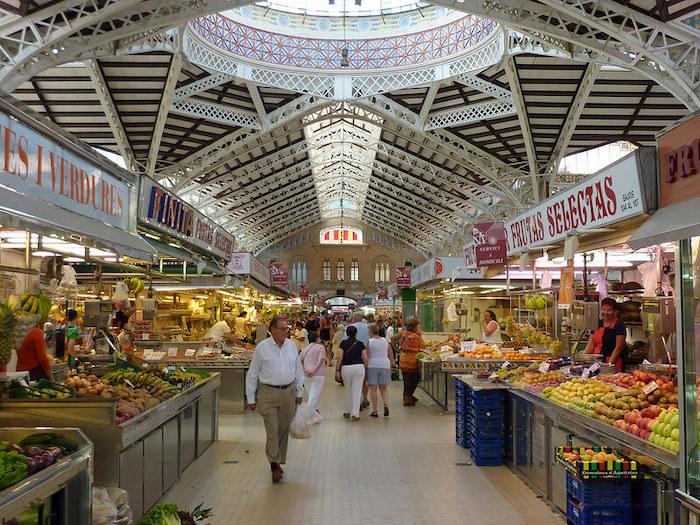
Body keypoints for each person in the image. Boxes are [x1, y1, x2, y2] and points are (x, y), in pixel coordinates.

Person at [246, 316, 304, 483]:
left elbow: (298, 370)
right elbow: (253, 373)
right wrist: (251, 397)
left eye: (287, 329)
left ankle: (277, 460)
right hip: (268, 393)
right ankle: (274, 465)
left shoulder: (292, 346)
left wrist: (299, 392)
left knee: (283, 430)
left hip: (288, 393)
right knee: (272, 431)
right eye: (282, 329)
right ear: (272, 330)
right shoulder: (262, 348)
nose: (286, 332)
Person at [584, 298, 627, 372]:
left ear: (614, 311)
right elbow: (591, 344)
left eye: (609, 310)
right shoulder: (597, 323)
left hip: (613, 362)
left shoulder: (619, 325)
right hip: (596, 362)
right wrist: (583, 359)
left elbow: (618, 348)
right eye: (604, 309)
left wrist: (608, 365)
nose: (606, 312)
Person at [336, 325, 366, 421]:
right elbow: (365, 358)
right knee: (357, 390)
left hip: (346, 368)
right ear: (356, 333)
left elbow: (339, 357)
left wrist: (337, 370)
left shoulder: (343, 343)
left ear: (347, 334)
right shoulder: (361, 344)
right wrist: (364, 368)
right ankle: (355, 414)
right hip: (359, 367)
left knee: (348, 389)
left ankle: (347, 411)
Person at [343, 313, 370, 408]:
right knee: (364, 378)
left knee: (354, 382)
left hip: (352, 357)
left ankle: (356, 401)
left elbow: (344, 342)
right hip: (366, 354)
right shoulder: (368, 327)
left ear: (354, 318)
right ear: (362, 318)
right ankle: (365, 398)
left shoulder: (350, 327)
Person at [365, 322, 393, 417]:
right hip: (385, 364)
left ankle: (375, 410)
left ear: (371, 331)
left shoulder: (369, 341)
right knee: (384, 388)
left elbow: (367, 355)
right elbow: (390, 354)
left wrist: (365, 366)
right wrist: (391, 365)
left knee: (373, 388)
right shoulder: (385, 341)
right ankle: (386, 406)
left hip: (373, 365)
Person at [399, 318, 426, 406]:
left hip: (403, 361)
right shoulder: (416, 336)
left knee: (406, 381)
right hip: (412, 362)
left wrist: (398, 350)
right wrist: (420, 335)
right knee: (414, 380)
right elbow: (423, 346)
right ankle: (408, 399)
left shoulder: (404, 334)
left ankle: (407, 397)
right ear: (415, 327)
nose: (419, 327)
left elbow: (393, 339)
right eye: (418, 326)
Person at [299, 331, 326, 421]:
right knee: (314, 395)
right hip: (318, 375)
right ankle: (306, 415)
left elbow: (299, 361)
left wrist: (305, 370)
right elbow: (321, 359)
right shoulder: (321, 347)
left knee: (312, 394)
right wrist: (313, 370)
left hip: (306, 375)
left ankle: (316, 415)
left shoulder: (305, 349)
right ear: (317, 338)